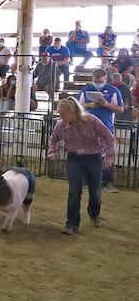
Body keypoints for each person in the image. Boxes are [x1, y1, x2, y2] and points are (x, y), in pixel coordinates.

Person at [47, 98, 116, 235]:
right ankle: (72, 223)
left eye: (62, 114)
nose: (60, 117)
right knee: (74, 191)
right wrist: (52, 150)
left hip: (94, 157)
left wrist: (109, 156)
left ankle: (94, 213)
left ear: (72, 112)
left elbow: (109, 138)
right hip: (74, 158)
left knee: (95, 190)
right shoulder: (61, 125)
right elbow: (53, 138)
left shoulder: (91, 120)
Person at [77, 68, 123, 192]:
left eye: (100, 81)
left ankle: (107, 181)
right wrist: (90, 105)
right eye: (95, 81)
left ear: (105, 79)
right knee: (86, 152)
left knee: (107, 153)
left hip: (106, 126)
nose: (97, 83)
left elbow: (120, 109)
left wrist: (106, 104)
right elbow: (78, 106)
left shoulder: (114, 91)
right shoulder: (86, 90)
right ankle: (86, 180)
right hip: (87, 127)